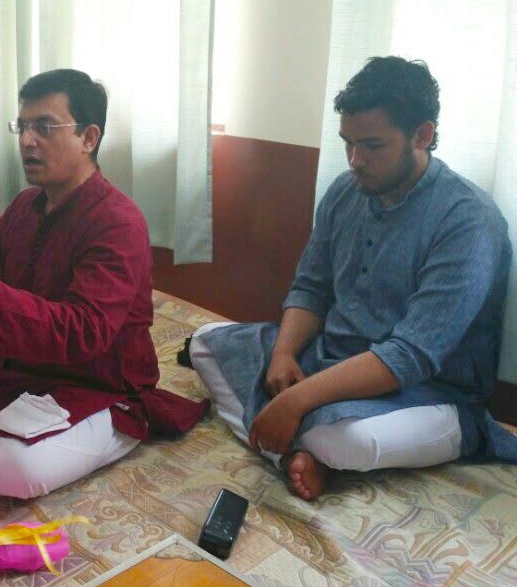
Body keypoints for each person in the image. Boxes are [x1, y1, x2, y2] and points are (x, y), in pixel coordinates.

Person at [189, 56, 516, 501]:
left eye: (373, 146)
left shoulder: (468, 222)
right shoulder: (346, 190)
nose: (356, 160)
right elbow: (312, 288)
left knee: (346, 440)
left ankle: (307, 446)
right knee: (205, 343)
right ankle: (295, 454)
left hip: (428, 394)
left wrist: (296, 400)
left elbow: (411, 356)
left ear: (423, 135)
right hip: (329, 360)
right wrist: (284, 354)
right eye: (348, 143)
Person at [0, 69, 205, 500]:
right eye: (22, 126)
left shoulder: (118, 223)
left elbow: (83, 333)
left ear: (89, 137)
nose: (27, 141)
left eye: (45, 127)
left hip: (94, 381)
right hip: (20, 360)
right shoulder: (23, 207)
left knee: (9, 470)